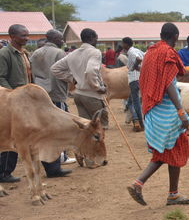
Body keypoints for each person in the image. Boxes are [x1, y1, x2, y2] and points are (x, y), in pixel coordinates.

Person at [127, 23, 189, 206]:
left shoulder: (151, 52)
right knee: (170, 150)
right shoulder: (167, 53)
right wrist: (181, 112)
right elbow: (169, 84)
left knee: (170, 150)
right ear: (176, 36)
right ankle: (139, 183)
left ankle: (172, 193)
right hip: (167, 110)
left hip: (151, 109)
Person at [0, 24, 70, 183]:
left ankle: (53, 169)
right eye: (23, 36)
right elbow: (1, 77)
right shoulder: (5, 53)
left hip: (27, 101)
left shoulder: (24, 53)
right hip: (13, 103)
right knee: (13, 137)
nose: (26, 38)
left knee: (41, 133)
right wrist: (13, 96)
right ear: (12, 36)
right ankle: (3, 173)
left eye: (27, 35)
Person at [30, 29, 76, 165]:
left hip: (39, 93)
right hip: (56, 93)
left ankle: (47, 156)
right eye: (60, 39)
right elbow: (65, 72)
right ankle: (60, 157)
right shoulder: (59, 53)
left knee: (44, 126)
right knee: (60, 126)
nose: (62, 41)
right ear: (53, 39)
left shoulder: (35, 53)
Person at [51, 28, 109, 128]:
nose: (97, 40)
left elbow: (54, 68)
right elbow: (90, 71)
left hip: (79, 96)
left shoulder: (73, 54)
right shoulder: (95, 52)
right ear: (92, 38)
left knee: (86, 128)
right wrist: (98, 88)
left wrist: (72, 79)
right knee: (99, 128)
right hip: (92, 96)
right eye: (96, 38)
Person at [121, 37, 145, 132]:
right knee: (130, 102)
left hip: (134, 80)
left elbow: (139, 59)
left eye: (123, 44)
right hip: (139, 78)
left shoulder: (131, 52)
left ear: (126, 44)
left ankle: (141, 124)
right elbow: (144, 56)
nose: (122, 45)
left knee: (136, 103)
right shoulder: (136, 50)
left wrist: (135, 66)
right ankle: (136, 121)